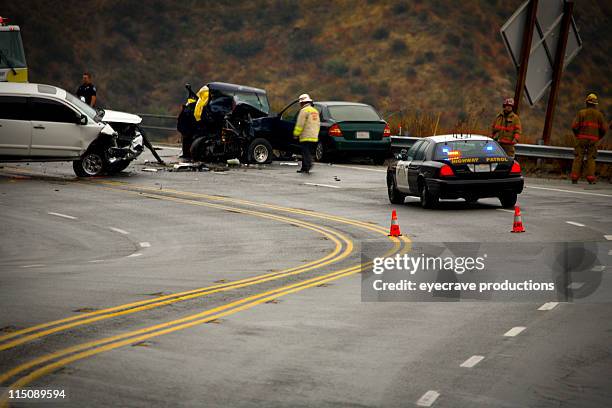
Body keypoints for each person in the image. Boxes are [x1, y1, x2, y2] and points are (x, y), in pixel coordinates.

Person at [570, 93, 607, 184]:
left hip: (581, 139)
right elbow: (604, 129)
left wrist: (578, 135)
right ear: (595, 104)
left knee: (578, 157)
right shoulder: (599, 115)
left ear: (587, 102)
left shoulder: (581, 113)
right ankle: (590, 178)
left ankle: (574, 178)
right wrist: (598, 138)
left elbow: (574, 126)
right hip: (593, 140)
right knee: (591, 158)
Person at [293, 93, 320, 173]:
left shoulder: (304, 111)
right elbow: (318, 123)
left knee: (305, 152)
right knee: (307, 151)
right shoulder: (315, 111)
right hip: (314, 136)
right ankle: (304, 168)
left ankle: (308, 165)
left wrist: (296, 134)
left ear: (302, 102)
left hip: (306, 135)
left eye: (300, 103)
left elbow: (300, 124)